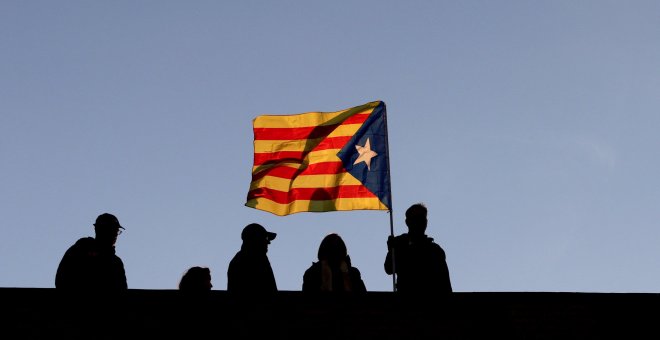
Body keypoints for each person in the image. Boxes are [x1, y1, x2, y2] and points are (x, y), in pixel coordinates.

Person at [384, 203, 452, 293]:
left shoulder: (435, 250)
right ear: (407, 222)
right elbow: (389, 268)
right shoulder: (400, 244)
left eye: (422, 218)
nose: (420, 222)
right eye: (416, 218)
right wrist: (391, 250)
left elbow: (445, 283)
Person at [55, 213, 128, 290]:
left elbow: (122, 291)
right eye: (112, 229)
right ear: (98, 229)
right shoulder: (80, 249)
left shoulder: (116, 262)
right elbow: (61, 280)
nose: (115, 234)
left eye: (116, 231)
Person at [227, 223, 277, 296]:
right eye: (265, 238)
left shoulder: (258, 258)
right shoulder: (253, 260)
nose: (268, 242)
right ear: (256, 239)